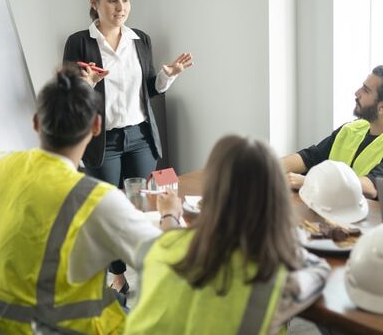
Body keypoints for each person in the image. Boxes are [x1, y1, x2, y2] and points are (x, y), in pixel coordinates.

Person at [0, 66, 183, 334]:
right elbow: (168, 261)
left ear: (35, 122)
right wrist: (170, 214)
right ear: (96, 125)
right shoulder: (93, 199)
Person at [63, 0, 193, 294]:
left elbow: (150, 90)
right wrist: (87, 84)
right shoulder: (79, 42)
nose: (120, 8)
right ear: (94, 4)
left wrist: (167, 76)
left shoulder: (140, 40)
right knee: (108, 212)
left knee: (145, 207)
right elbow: (68, 94)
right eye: (112, 0)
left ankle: (151, 269)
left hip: (140, 136)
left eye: (125, 0)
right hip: (102, 141)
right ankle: (117, 273)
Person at [124, 135, 331, 335]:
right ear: (275, 201)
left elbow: (168, 239)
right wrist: (283, 240)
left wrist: (169, 214)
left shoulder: (158, 247)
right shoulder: (274, 280)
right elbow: (320, 272)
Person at [282, 64, 383, 199]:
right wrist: (270, 167)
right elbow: (310, 157)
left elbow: (370, 187)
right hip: (334, 210)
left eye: (366, 90)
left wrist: (311, 182)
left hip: (369, 222)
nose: (357, 93)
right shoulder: (352, 129)